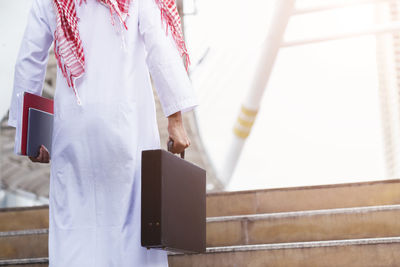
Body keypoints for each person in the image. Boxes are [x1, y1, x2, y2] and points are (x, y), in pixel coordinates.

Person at [7, 0, 197, 266]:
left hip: (73, 133)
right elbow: (160, 48)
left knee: (74, 228)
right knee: (132, 231)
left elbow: (30, 60)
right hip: (128, 130)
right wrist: (176, 120)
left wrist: (30, 136)